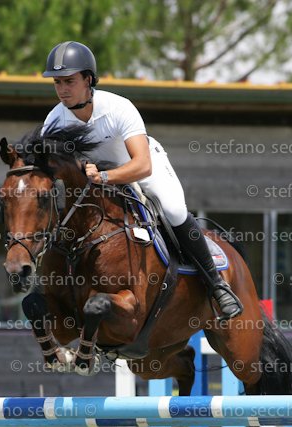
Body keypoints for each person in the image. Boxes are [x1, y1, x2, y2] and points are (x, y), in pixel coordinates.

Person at [42, 41, 243, 320]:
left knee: (173, 210)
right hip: (96, 181)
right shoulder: (53, 122)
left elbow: (142, 165)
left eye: (69, 81)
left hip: (141, 167)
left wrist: (105, 177)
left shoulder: (118, 108)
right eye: (57, 82)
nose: (62, 89)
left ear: (88, 79)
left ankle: (216, 285)